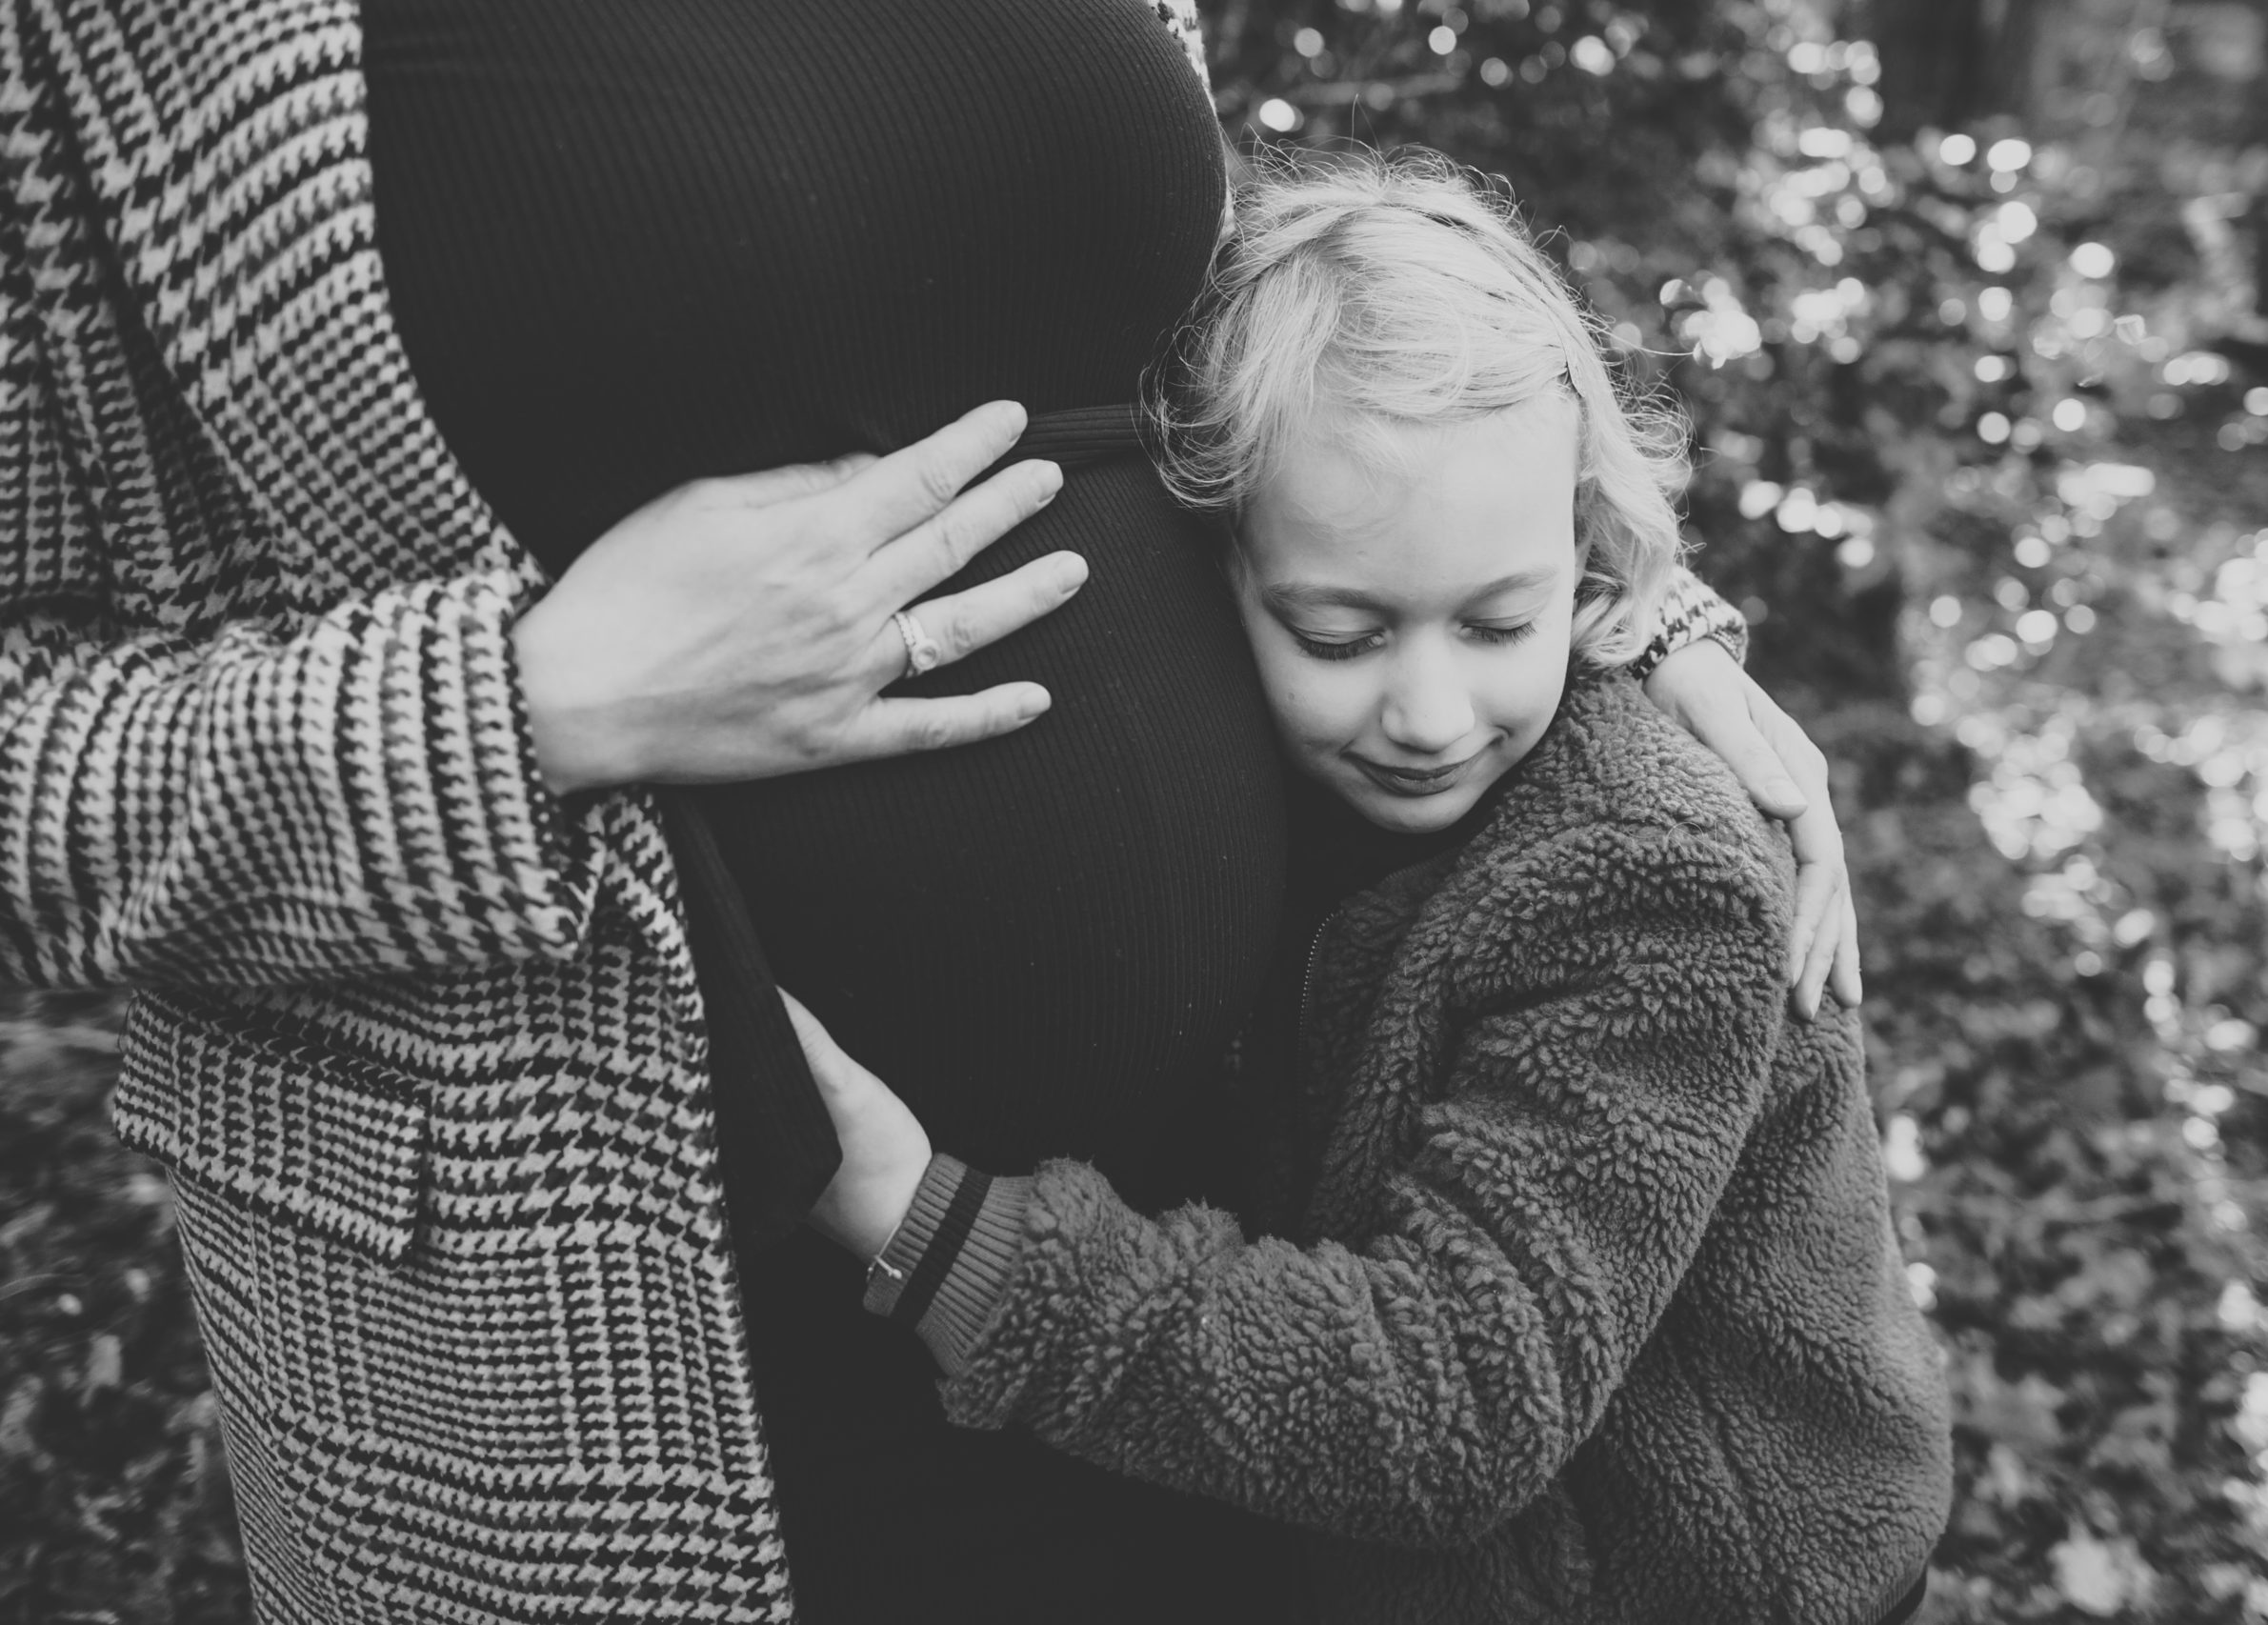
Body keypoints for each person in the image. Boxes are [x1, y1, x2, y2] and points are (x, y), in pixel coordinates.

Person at [1, 3, 1857, 1617]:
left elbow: (1220, 341)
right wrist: (519, 706)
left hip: (1239, 1259)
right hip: (622, 1312)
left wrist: (1626, 613)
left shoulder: (1591, 847)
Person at [793, 153, 1953, 1624]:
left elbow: (1457, 1402)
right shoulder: (1329, 742)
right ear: (1212, 560)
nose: (1427, 709)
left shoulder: (1651, 888)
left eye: (1498, 619)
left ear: (1589, 564)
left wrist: (935, 1226)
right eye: (1340, 632)